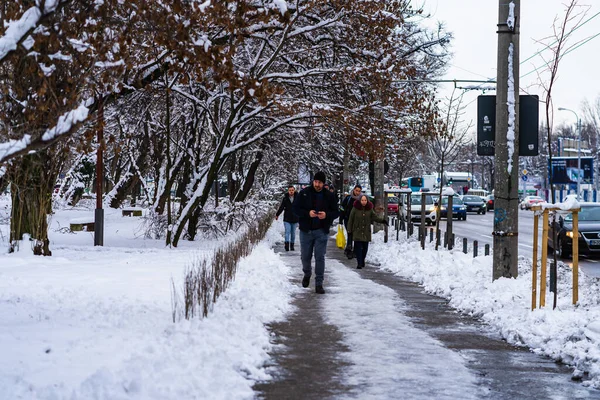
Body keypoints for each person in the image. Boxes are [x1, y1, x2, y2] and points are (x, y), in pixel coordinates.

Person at [292, 171, 339, 294]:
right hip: (306, 231)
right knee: (305, 257)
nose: (317, 184)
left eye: (320, 182)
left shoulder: (329, 196)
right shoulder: (304, 193)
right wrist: (308, 213)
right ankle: (307, 273)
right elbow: (295, 209)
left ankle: (319, 283)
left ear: (323, 184)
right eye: (316, 181)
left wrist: (327, 215)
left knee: (320, 257)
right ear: (313, 181)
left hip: (321, 231)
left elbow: (336, 211)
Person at [347, 195, 388, 269]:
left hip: (366, 231)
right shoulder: (355, 208)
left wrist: (382, 220)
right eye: (362, 200)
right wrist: (349, 230)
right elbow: (351, 219)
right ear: (360, 201)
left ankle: (362, 260)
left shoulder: (369, 208)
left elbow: (374, 217)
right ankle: (359, 263)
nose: (364, 202)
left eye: (365, 200)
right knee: (358, 248)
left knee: (365, 248)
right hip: (357, 231)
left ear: (367, 201)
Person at [339, 184, 363, 259]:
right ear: (354, 190)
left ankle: (355, 251)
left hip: (357, 221)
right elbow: (342, 208)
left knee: (356, 235)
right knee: (350, 233)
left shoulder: (362, 200)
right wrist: (341, 219)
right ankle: (349, 250)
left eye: (359, 191)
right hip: (348, 219)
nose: (357, 192)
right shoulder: (348, 198)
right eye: (356, 190)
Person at [276, 185, 299, 251]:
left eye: (292, 190)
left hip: (295, 218)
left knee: (293, 233)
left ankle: (292, 245)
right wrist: (277, 214)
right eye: (290, 190)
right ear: (288, 191)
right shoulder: (285, 198)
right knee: (287, 232)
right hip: (287, 218)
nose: (291, 191)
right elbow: (282, 207)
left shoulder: (297, 198)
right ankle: (286, 245)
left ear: (294, 190)